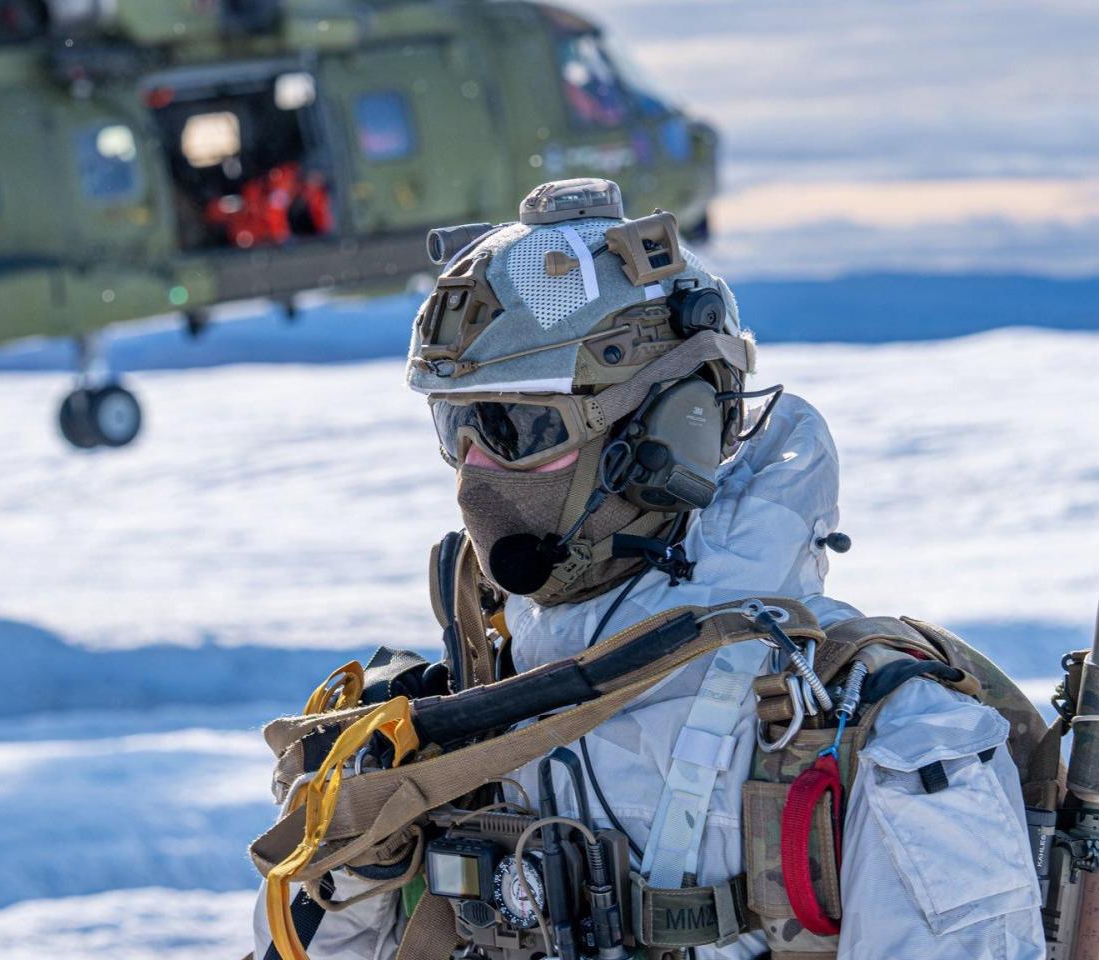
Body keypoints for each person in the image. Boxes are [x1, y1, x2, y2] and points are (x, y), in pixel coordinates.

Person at [251, 179, 1047, 960]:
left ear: (671, 430)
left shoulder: (885, 735)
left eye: (512, 427)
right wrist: (356, 853)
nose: (473, 476)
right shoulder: (451, 722)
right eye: (455, 428)